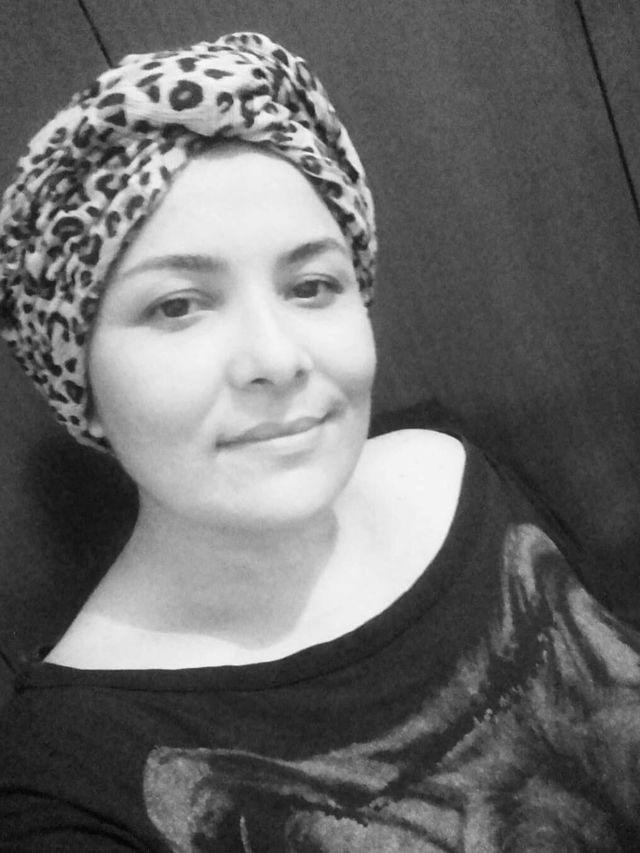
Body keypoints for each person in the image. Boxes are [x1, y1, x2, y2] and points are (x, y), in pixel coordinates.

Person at [0, 31, 639, 853]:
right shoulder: (68, 785)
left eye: (311, 285)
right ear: (79, 378)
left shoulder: (451, 465)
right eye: (177, 305)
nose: (277, 358)